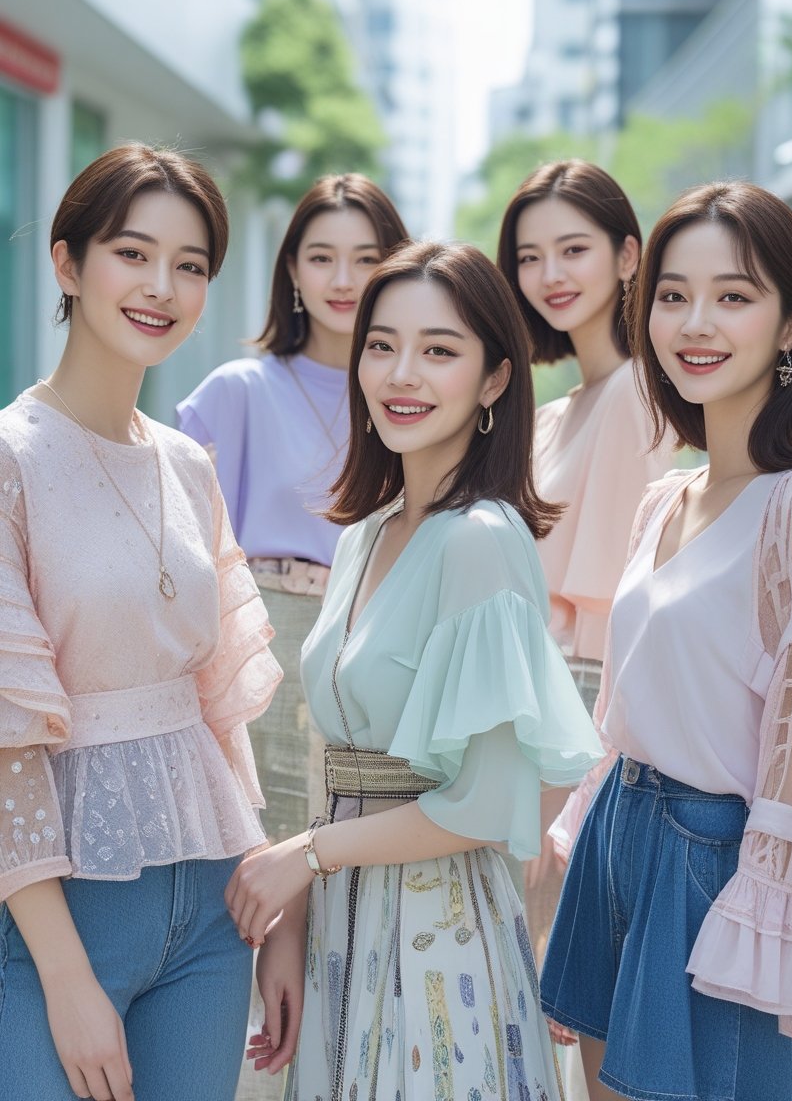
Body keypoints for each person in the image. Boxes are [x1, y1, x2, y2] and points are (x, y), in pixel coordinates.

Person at [224, 240, 603, 1099]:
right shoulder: (365, 534)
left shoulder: (482, 540)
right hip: (339, 930)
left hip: (441, 938)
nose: (402, 374)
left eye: (439, 350)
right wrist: (291, 922)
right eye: (382, 345)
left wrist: (305, 857)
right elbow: (340, 764)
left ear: (495, 379)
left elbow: (485, 802)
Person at [0, 144, 282, 1101]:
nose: (162, 286)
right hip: (59, 916)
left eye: (190, 265)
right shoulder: (11, 460)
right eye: (132, 253)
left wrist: (264, 901)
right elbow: (5, 743)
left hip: (209, 919)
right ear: (67, 263)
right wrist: (66, 977)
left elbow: (217, 709)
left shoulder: (189, 465)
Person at [540, 181, 792, 1101]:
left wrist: (769, 901)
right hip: (618, 829)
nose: (696, 323)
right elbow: (619, 704)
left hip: (714, 860)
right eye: (673, 295)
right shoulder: (666, 497)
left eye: (733, 295)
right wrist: (577, 845)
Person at [178, 175, 408, 842]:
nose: (343, 279)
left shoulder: (415, 393)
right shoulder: (237, 391)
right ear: (292, 271)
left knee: (361, 872)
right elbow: (185, 559)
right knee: (260, 864)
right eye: (321, 257)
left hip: (384, 659)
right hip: (264, 656)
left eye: (366, 258)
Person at [497, 160, 677, 973]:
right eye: (530, 257)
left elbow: (614, 627)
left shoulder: (638, 394)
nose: (550, 275)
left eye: (573, 250)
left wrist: (558, 798)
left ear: (628, 255)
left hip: (573, 752)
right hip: (531, 732)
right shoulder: (556, 411)